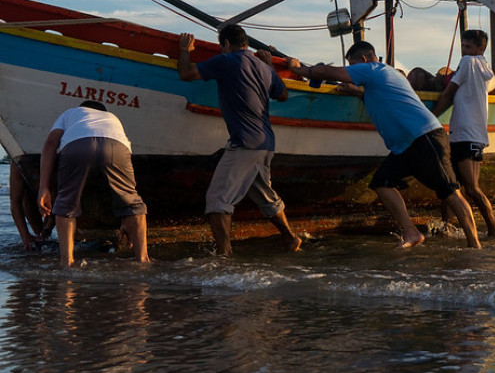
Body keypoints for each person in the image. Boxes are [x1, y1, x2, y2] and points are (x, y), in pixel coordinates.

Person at [288, 41, 481, 248]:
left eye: (352, 65)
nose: (352, 71)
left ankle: (475, 245)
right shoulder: (383, 75)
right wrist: (357, 93)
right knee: (382, 183)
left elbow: (325, 71)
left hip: (424, 137)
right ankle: (412, 233)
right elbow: (382, 97)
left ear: (363, 60)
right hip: (404, 146)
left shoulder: (372, 69)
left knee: (450, 192)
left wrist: (298, 69)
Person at [177, 24, 301, 255]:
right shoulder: (263, 67)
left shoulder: (227, 61)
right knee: (264, 195)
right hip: (266, 143)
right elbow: (283, 95)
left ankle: (224, 257)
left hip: (245, 142)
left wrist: (185, 50)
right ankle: (290, 239)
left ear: (226, 44)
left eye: (221, 45)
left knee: (217, 201)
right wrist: (270, 67)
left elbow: (186, 74)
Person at [36, 101, 150, 267]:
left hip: (77, 147)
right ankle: (143, 259)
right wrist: (126, 218)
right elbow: (126, 163)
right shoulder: (112, 117)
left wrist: (43, 187)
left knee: (66, 204)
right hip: (116, 147)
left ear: (82, 108)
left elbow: (50, 144)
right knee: (132, 203)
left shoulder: (69, 113)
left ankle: (67, 263)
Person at [431, 29, 495, 237]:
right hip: (465, 134)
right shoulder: (484, 66)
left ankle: (493, 231)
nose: (463, 50)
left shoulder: (468, 62)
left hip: (468, 135)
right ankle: (446, 229)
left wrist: (430, 117)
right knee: (449, 187)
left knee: (471, 188)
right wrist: (475, 91)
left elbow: (448, 94)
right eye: (462, 46)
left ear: (481, 48)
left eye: (468, 46)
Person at [9, 162, 52, 251]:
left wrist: (47, 229)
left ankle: (45, 234)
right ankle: (40, 235)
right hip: (29, 188)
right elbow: (15, 201)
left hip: (57, 187)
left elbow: (62, 200)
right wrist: (25, 235)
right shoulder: (18, 165)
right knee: (26, 196)